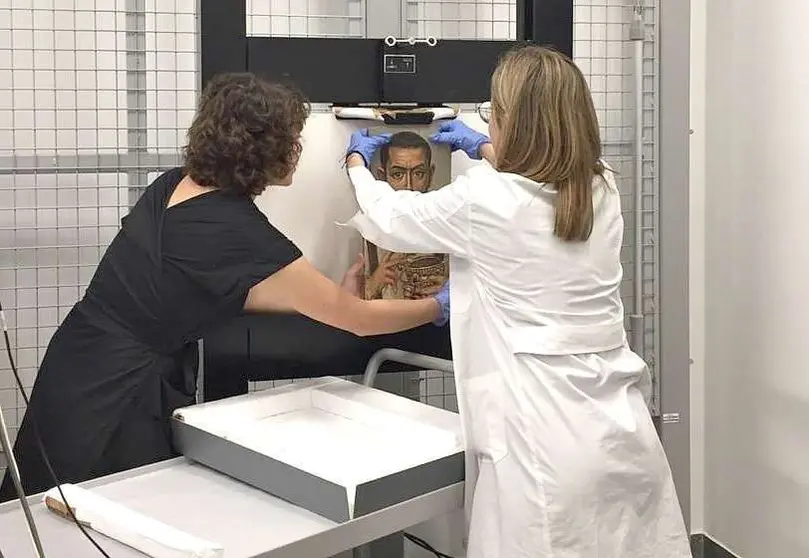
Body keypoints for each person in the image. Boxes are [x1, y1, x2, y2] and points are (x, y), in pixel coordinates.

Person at [0, 73, 450, 502]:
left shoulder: (172, 185)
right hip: (119, 397)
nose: (297, 150)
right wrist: (442, 305)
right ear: (260, 150)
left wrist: (333, 295)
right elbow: (357, 321)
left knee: (39, 508)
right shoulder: (239, 233)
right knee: (98, 520)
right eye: (290, 140)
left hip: (75, 363)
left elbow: (208, 287)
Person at [344, 46, 691, 558]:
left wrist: (354, 162)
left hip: (541, 446)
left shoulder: (484, 200)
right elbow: (539, 179)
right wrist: (482, 144)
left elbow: (389, 215)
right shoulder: (602, 184)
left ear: (511, 122)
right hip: (622, 434)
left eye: (494, 115)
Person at [364, 131, 449, 301]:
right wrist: (375, 283)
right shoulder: (369, 227)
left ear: (430, 174)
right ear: (382, 176)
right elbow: (353, 300)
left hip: (438, 322)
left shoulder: (448, 222)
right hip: (387, 323)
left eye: (418, 174)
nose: (409, 186)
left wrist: (451, 291)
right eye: (398, 174)